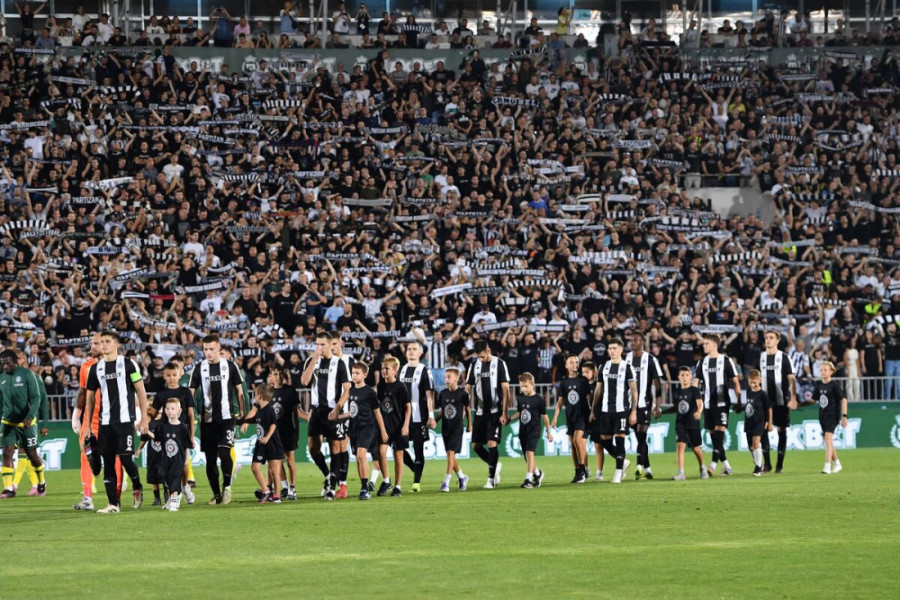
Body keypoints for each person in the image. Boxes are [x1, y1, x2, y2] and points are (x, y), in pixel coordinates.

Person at [83, 331, 150, 514]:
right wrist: (88, 424)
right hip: (105, 422)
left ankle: (137, 486)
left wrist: (144, 417)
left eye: (107, 341)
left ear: (116, 345)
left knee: (127, 459)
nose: (103, 345)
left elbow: (141, 391)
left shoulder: (129, 364)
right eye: (101, 342)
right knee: (108, 461)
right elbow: (90, 398)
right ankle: (113, 504)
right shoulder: (96, 369)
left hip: (125, 420)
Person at [188, 334, 246, 505]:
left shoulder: (230, 366)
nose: (208, 352)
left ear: (219, 348)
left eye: (211, 349)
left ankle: (227, 487)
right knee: (211, 459)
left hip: (227, 418)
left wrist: (242, 412)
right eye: (205, 349)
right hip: (207, 421)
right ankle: (216, 494)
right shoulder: (198, 368)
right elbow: (191, 393)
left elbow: (239, 391)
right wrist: (188, 413)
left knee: (224, 452)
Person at [301, 331, 351, 500]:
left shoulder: (339, 363)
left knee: (335, 448)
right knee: (313, 447)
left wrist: (337, 408)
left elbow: (347, 389)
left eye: (323, 344)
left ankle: (331, 487)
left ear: (331, 345)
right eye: (317, 344)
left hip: (332, 411)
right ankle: (329, 475)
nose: (320, 347)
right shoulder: (311, 361)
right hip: (316, 411)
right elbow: (304, 381)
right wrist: (314, 358)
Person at [589, 338, 637, 484]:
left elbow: (634, 391)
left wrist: (633, 411)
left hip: (622, 409)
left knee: (620, 438)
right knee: (604, 440)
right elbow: (598, 390)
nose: (612, 351)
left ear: (621, 350)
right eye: (610, 348)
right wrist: (593, 410)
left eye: (615, 348)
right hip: (605, 410)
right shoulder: (604, 366)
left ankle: (617, 473)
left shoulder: (628, 367)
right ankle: (623, 462)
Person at [0, 350, 46, 498]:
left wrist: (30, 416)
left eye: (8, 362)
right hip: (8, 421)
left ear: (15, 361)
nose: (5, 366)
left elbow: (36, 397)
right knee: (7, 452)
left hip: (26, 422)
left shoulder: (27, 374)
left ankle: (41, 482)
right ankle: (8, 488)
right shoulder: (1, 377)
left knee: (32, 455)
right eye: (3, 363)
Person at [466, 339, 511, 489]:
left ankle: (491, 480)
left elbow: (505, 389)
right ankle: (495, 465)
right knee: (476, 447)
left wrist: (504, 413)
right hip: (479, 412)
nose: (481, 359)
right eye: (478, 356)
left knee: (492, 442)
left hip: (495, 412)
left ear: (488, 350)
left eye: (483, 356)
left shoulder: (499, 364)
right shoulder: (474, 365)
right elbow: (468, 387)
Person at [149, 362, 196, 505]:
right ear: (164, 376)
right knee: (168, 465)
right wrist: (144, 421)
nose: (171, 378)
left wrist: (192, 435)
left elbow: (190, 415)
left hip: (182, 433)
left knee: (184, 464)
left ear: (180, 374)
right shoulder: (161, 394)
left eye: (174, 375)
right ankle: (174, 495)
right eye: (168, 375)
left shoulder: (185, 392)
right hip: (166, 434)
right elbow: (153, 413)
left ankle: (185, 486)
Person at [695, 334, 741, 476]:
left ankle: (712, 466)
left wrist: (738, 401)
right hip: (707, 404)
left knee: (719, 434)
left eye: (706, 343)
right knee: (715, 438)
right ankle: (727, 467)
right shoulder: (702, 363)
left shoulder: (726, 361)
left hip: (722, 403)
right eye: (704, 344)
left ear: (715, 345)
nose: (704, 346)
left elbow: (736, 382)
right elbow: (696, 383)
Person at [71, 333, 108, 511]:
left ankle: (114, 498)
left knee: (113, 455)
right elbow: (82, 392)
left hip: (110, 418)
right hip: (90, 420)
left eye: (96, 343)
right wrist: (76, 414)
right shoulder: (85, 366)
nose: (92, 347)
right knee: (85, 455)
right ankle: (87, 498)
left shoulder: (118, 365)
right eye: (92, 343)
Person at [398, 341, 436, 492]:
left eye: (414, 349)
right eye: (409, 349)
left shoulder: (424, 370)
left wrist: (431, 416)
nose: (411, 351)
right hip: (401, 417)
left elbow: (429, 395)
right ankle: (415, 467)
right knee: (398, 446)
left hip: (419, 417)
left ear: (420, 353)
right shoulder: (401, 370)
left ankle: (416, 483)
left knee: (418, 449)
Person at [625, 333, 664, 479]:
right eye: (631, 340)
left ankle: (639, 467)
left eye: (636, 340)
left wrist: (658, 406)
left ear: (642, 342)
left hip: (645, 403)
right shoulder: (626, 358)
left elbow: (658, 384)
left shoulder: (650, 359)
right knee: (638, 436)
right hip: (628, 405)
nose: (632, 342)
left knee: (641, 435)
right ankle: (648, 469)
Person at [758, 330, 797, 473]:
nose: (768, 340)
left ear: (777, 340)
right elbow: (757, 378)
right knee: (763, 429)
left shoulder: (784, 357)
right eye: (766, 338)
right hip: (765, 401)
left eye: (771, 338)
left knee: (781, 430)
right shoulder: (761, 358)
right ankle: (767, 464)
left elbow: (792, 379)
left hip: (781, 400)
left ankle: (779, 464)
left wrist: (793, 398)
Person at [550, 354, 592, 483]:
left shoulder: (583, 381)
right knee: (573, 444)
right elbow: (560, 401)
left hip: (583, 416)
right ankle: (578, 471)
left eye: (576, 362)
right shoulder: (563, 383)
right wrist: (555, 417)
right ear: (566, 365)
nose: (575, 364)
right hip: (571, 417)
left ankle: (583, 469)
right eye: (572, 362)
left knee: (577, 439)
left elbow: (590, 398)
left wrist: (593, 413)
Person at [346, 362, 385, 500]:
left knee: (362, 455)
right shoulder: (350, 390)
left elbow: (377, 412)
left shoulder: (369, 392)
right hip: (354, 428)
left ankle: (365, 488)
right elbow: (352, 411)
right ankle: (363, 486)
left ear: (365, 374)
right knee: (358, 457)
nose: (354, 375)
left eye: (357, 373)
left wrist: (383, 431)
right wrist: (337, 415)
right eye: (353, 373)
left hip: (368, 427)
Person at [268, 363, 306, 500]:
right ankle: (281, 487)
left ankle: (292, 488)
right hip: (273, 433)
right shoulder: (268, 392)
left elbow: (296, 414)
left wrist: (297, 431)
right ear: (270, 376)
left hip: (288, 431)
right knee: (275, 461)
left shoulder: (290, 391)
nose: (278, 377)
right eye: (275, 374)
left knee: (290, 460)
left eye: (280, 374)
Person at [242, 384, 284, 504]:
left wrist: (267, 437)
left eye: (255, 394)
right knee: (255, 467)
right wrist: (243, 421)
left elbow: (273, 424)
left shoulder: (270, 410)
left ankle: (276, 496)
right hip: (261, 443)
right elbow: (255, 420)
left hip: (272, 443)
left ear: (259, 396)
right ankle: (266, 491)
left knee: (274, 471)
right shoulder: (260, 410)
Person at [149, 396, 193, 511]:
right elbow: (156, 438)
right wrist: (147, 432)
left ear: (179, 411)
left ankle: (174, 501)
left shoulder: (182, 428)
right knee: (166, 479)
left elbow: (186, 445)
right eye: (167, 409)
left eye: (172, 409)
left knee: (175, 477)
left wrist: (187, 458)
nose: (169, 411)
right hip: (165, 459)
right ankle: (171, 498)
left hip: (178, 459)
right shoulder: (162, 426)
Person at [375, 356, 411, 497]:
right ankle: (386, 481)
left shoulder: (400, 386)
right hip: (384, 426)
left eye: (387, 369)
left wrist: (406, 425)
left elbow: (408, 407)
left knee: (398, 456)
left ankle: (398, 486)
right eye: (383, 368)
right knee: (381, 452)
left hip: (398, 425)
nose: (384, 371)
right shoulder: (380, 386)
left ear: (395, 370)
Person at [511, 372, 551, 489]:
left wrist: (549, 432)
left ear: (533, 384)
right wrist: (509, 419)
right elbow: (519, 412)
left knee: (529, 453)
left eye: (526, 386)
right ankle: (538, 474)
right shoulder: (520, 397)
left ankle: (528, 479)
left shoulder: (539, 399)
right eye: (521, 386)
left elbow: (544, 416)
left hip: (534, 430)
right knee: (526, 456)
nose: (523, 389)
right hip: (523, 430)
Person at [436, 367, 469, 492]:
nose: (446, 379)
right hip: (445, 428)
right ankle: (462, 477)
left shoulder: (463, 394)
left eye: (449, 377)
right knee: (450, 456)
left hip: (457, 427)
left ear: (456, 378)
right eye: (445, 377)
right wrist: (435, 420)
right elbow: (442, 411)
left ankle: (446, 483)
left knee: (450, 453)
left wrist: (470, 424)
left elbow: (467, 409)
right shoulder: (442, 394)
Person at [671, 367, 707, 480]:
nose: (685, 377)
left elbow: (700, 404)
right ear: (678, 377)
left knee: (696, 448)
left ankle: (702, 467)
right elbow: (676, 408)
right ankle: (681, 472)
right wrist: (662, 412)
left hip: (693, 423)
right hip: (680, 423)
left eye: (687, 375)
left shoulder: (694, 390)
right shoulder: (676, 391)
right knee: (680, 445)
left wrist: (698, 412)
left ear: (691, 377)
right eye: (682, 375)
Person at [811, 362, 847, 475]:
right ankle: (837, 463)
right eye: (821, 370)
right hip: (822, 416)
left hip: (833, 415)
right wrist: (798, 405)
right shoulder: (819, 385)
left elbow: (844, 399)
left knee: (827, 439)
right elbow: (813, 400)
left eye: (825, 370)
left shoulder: (834, 385)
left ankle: (827, 466)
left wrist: (844, 416)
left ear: (831, 371)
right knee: (828, 442)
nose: (823, 372)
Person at [331, 333, 353, 498]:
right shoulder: (325, 362)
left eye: (334, 343)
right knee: (334, 448)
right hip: (329, 413)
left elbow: (354, 386)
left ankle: (342, 485)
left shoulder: (349, 361)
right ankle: (334, 482)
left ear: (340, 343)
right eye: (329, 344)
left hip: (344, 412)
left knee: (342, 446)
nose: (332, 347)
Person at [738, 370, 771, 476]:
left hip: (759, 421)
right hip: (749, 422)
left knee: (756, 442)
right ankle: (758, 464)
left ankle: (758, 467)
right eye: (751, 382)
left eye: (755, 382)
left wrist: (769, 423)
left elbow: (769, 409)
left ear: (760, 380)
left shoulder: (763, 394)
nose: (753, 384)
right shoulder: (748, 391)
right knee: (751, 447)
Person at [583, 361, 607, 480]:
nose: (585, 374)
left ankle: (599, 473)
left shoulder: (599, 386)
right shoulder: (581, 386)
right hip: (583, 419)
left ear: (594, 372)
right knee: (581, 445)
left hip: (597, 418)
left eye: (587, 372)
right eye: (583, 372)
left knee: (598, 446)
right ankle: (585, 470)